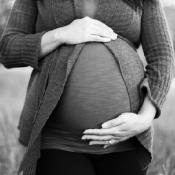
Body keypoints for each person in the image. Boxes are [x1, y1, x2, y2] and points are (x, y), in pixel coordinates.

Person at [0, 0, 174, 175]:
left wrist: (144, 119)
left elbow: (163, 57)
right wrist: (61, 34)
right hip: (57, 140)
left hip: (126, 140)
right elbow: (8, 48)